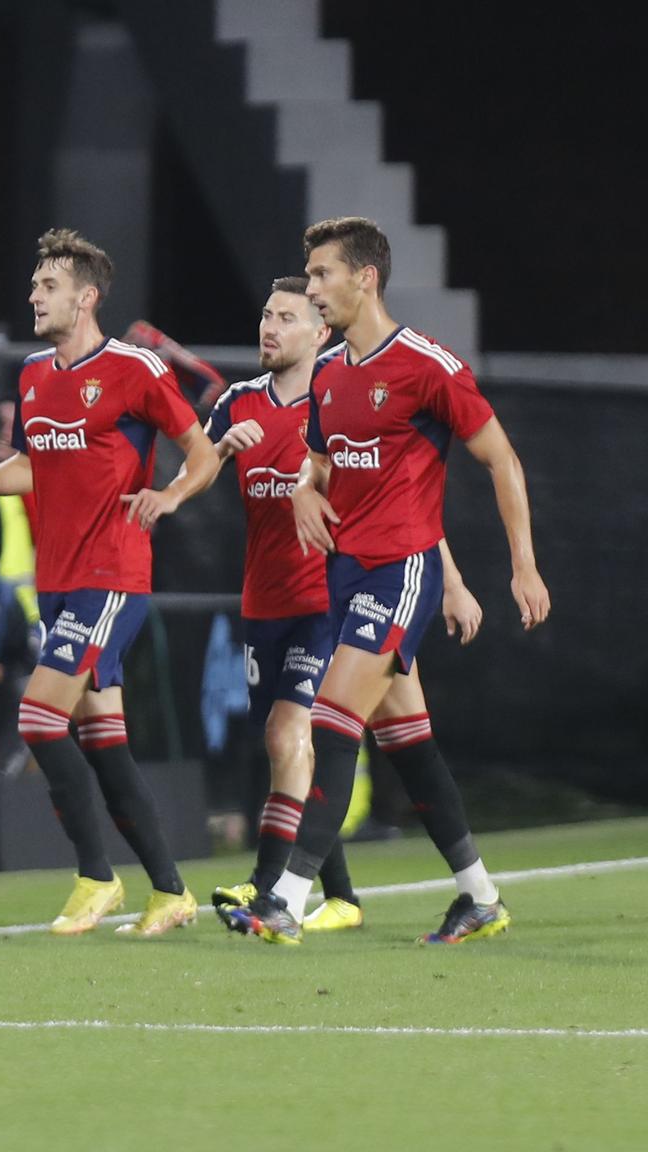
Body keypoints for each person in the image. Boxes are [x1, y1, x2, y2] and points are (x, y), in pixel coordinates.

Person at [231, 217, 551, 945]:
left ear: (364, 277)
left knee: (330, 720)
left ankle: (283, 896)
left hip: (401, 571)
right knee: (408, 742)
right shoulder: (333, 373)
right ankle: (479, 896)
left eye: (320, 276)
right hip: (345, 579)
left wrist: (522, 564)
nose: (311, 290)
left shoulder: (425, 365)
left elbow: (501, 459)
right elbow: (317, 461)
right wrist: (307, 490)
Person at [0, 229, 216, 937]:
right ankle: (172, 892)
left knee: (37, 718)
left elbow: (202, 453)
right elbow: (33, 466)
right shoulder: (31, 376)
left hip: (111, 576)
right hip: (59, 582)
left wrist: (170, 497)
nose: (34, 294)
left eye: (48, 285)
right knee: (104, 741)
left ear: (86, 297)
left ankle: (95, 876)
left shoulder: (136, 369)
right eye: (34, 284)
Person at [201, 277, 378, 931]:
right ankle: (342, 897)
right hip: (263, 601)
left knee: (287, 734)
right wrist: (216, 447)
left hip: (325, 599)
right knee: (285, 746)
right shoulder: (238, 401)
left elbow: (375, 483)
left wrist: (314, 474)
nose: (269, 327)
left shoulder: (339, 400)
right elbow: (192, 467)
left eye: (286, 317)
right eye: (266, 315)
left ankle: (267, 884)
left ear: (319, 333)